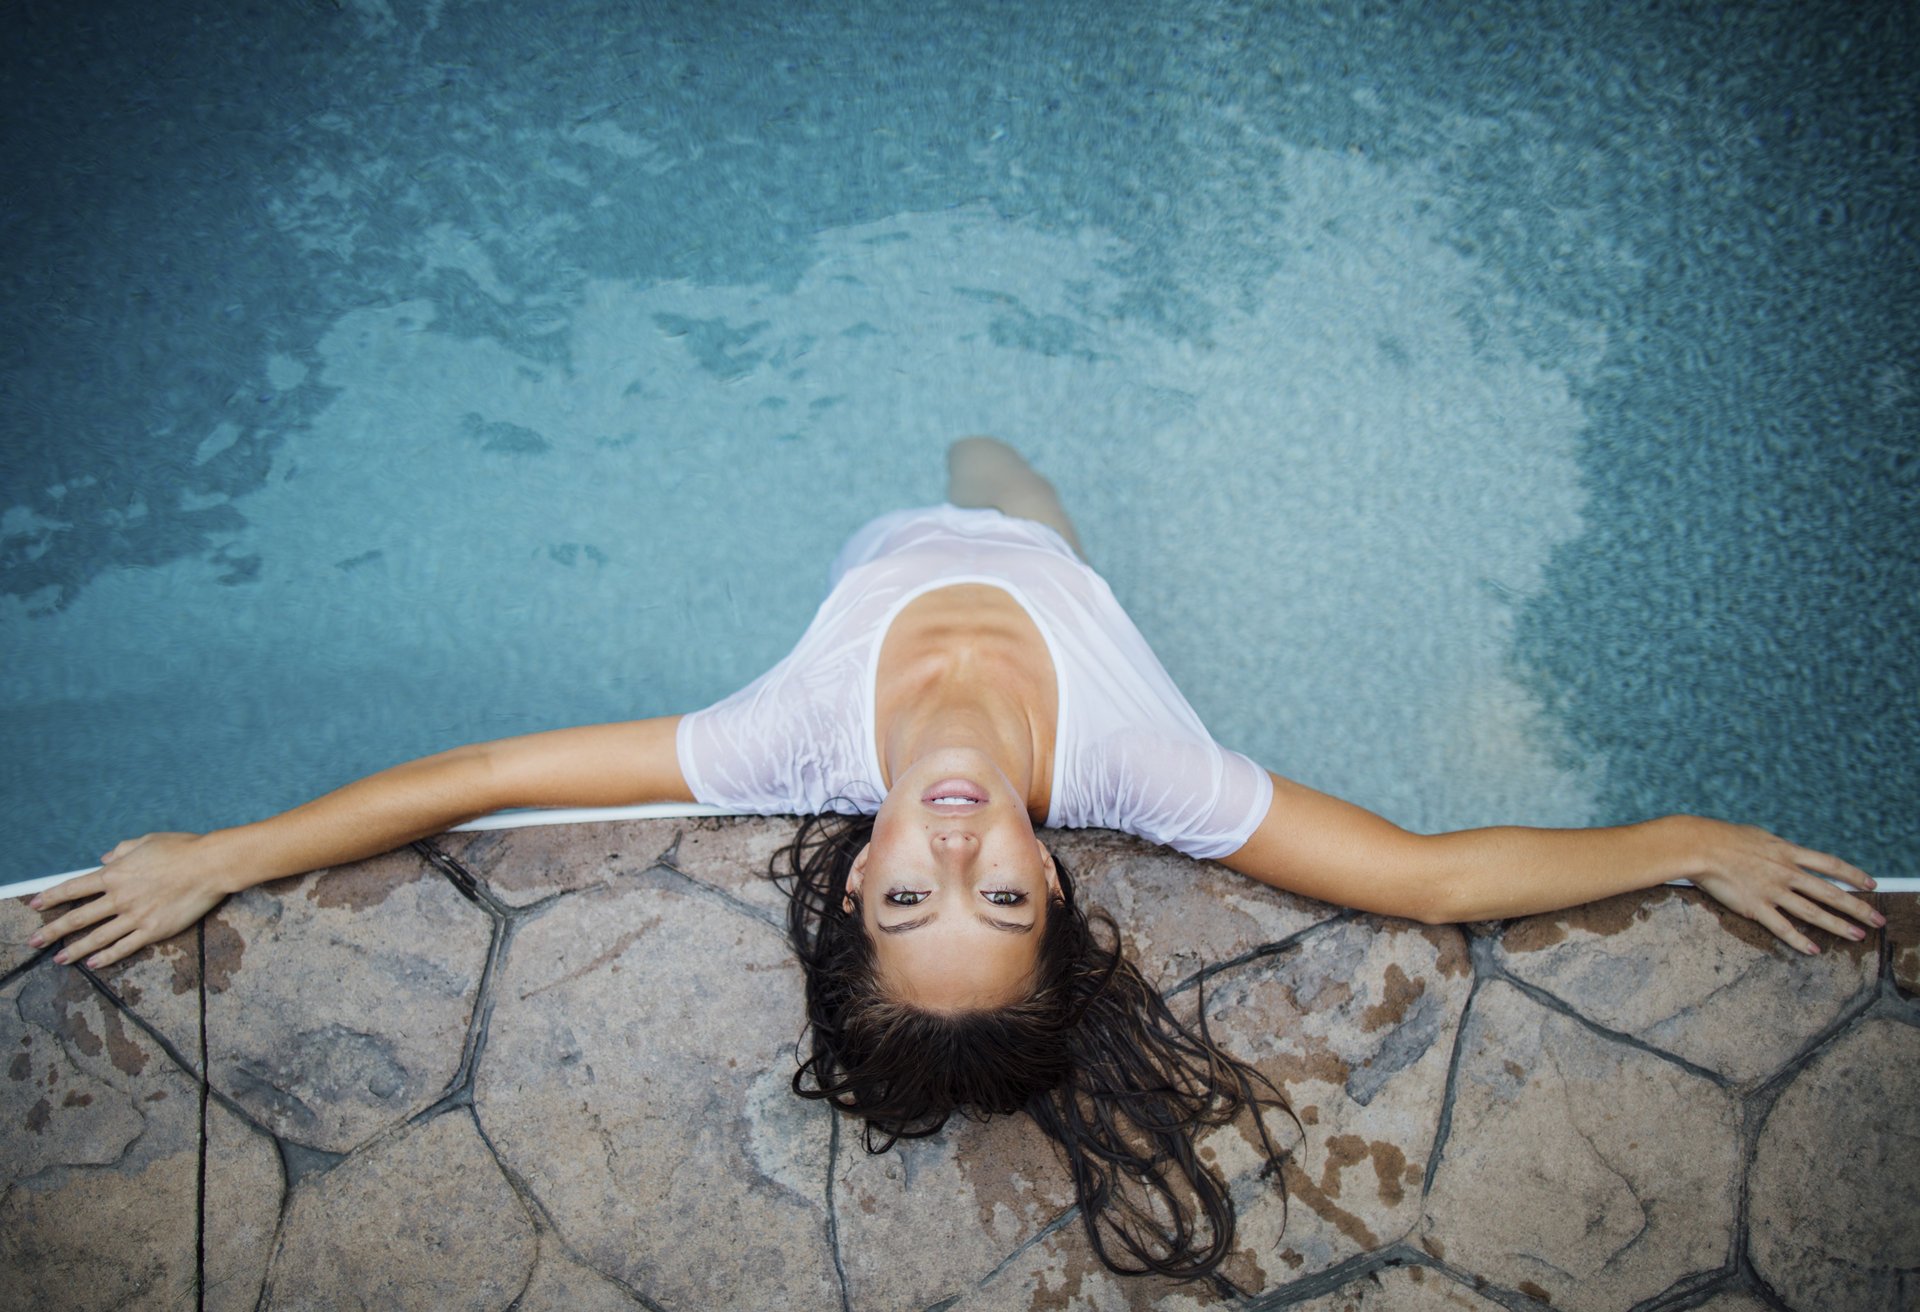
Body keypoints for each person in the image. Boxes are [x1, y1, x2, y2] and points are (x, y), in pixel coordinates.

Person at [25, 436, 1882, 1279]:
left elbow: (488, 768)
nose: (963, 847)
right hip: (1048, 573)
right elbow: (1426, 878)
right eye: (1000, 896)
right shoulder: (1142, 764)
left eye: (913, 895)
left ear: (850, 887)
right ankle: (1030, 494)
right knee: (1022, 480)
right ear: (1067, 887)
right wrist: (1694, 841)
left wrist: (226, 855)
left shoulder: (787, 745)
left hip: (874, 555)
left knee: (956, 464)